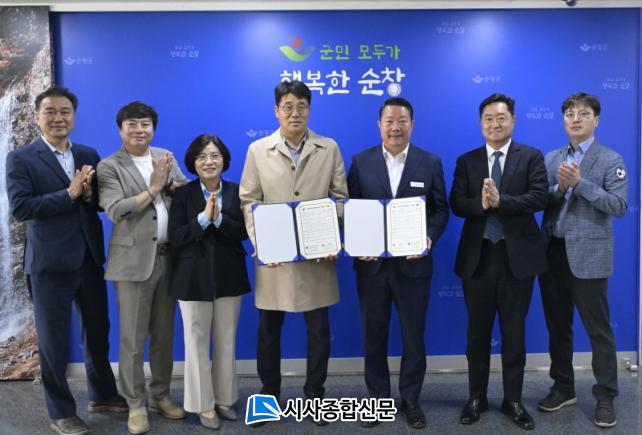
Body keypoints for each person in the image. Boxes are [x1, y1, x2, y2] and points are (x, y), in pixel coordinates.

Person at [6, 86, 126, 435]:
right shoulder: (21, 158)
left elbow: (99, 202)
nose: (58, 118)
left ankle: (102, 394)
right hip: (49, 265)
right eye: (50, 111)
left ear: (73, 116)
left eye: (65, 112)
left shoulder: (88, 153)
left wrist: (87, 196)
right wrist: (69, 194)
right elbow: (21, 208)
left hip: (88, 258)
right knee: (54, 343)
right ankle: (61, 412)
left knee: (98, 333)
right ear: (37, 117)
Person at [239, 80, 348, 426]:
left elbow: (340, 197)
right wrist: (261, 243)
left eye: (302, 106)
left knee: (319, 333)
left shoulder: (328, 147)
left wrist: (330, 237)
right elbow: (248, 200)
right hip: (275, 259)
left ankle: (315, 396)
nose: (295, 113)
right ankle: (269, 397)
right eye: (288, 106)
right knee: (268, 333)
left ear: (309, 110)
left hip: (317, 258)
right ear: (276, 111)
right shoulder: (258, 150)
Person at [347, 97, 449, 429]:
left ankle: (411, 399)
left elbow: (440, 209)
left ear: (412, 125)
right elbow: (350, 209)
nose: (395, 127)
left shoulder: (429, 162)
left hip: (413, 266)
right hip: (372, 267)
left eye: (402, 121)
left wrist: (429, 237)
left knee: (413, 336)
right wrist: (357, 242)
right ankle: (377, 400)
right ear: (379, 125)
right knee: (373, 336)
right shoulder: (360, 162)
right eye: (389, 121)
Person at [449, 93, 548, 431]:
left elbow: (539, 197)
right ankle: (475, 398)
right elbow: (456, 203)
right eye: (488, 118)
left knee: (514, 334)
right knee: (476, 335)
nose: (495, 123)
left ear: (513, 121)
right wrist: (481, 204)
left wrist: (501, 202)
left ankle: (513, 400)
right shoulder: (467, 161)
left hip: (516, 259)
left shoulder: (531, 156)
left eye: (501, 117)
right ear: (481, 123)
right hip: (477, 259)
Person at [96, 101, 188, 435]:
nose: (139, 130)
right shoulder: (109, 166)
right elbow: (116, 209)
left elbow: (185, 192)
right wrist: (154, 188)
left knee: (164, 335)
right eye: (132, 124)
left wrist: (173, 185)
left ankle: (160, 395)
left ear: (153, 128)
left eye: (145, 124)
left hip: (169, 258)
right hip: (132, 263)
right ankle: (135, 403)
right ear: (121, 129)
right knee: (133, 340)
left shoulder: (164, 157)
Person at [537, 93, 627, 428]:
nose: (576, 119)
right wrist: (559, 189)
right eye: (570, 114)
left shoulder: (610, 159)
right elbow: (540, 200)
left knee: (598, 330)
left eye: (584, 114)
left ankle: (605, 396)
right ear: (563, 121)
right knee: (558, 327)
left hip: (589, 256)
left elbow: (618, 205)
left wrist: (580, 184)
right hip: (552, 254)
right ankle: (563, 387)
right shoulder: (552, 158)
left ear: (596, 120)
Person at [168, 133, 251, 430]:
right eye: (202, 157)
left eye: (215, 156)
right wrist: (203, 219)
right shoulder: (183, 194)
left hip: (229, 275)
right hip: (192, 278)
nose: (209, 162)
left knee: (227, 340)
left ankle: (225, 399)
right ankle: (203, 405)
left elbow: (244, 232)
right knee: (196, 344)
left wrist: (219, 220)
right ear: (193, 162)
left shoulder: (236, 191)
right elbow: (175, 237)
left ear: (224, 160)